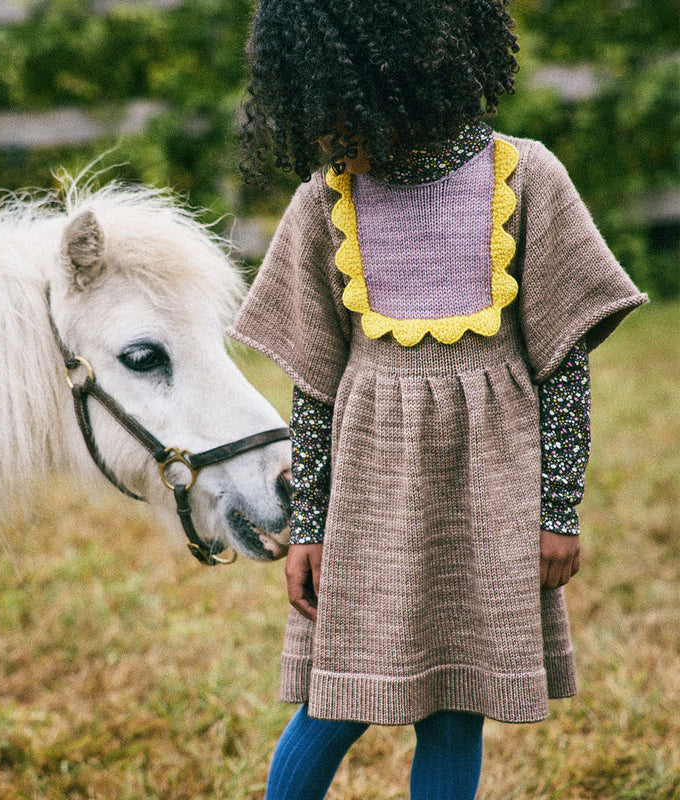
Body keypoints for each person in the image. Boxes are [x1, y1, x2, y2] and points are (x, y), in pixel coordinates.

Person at [228, 2, 648, 798]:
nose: (326, 127)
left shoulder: (527, 181)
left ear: (406, 71)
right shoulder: (325, 205)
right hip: (369, 503)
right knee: (332, 699)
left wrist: (558, 512)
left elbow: (564, 368)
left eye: (339, 104)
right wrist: (310, 526)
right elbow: (313, 389)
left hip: (486, 500)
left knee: (457, 707)